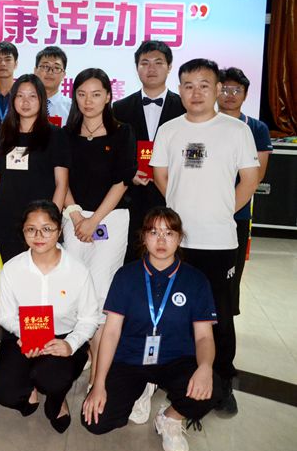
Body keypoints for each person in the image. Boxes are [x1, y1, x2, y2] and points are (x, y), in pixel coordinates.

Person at [151, 58, 260, 417]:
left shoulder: (236, 130)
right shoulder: (169, 130)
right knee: (175, 310)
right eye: (188, 85)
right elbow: (161, 176)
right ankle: (176, 373)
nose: (195, 92)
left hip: (219, 241)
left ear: (216, 89)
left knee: (220, 314)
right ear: (179, 89)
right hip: (176, 242)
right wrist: (179, 210)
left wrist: (224, 210)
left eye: (203, 85)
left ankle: (222, 380)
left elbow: (250, 179)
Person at [82, 207, 222, 451]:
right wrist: (98, 383)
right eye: (154, 232)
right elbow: (111, 333)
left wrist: (204, 367)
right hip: (131, 358)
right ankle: (141, 389)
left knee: (212, 389)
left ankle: (170, 417)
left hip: (175, 359)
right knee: (95, 421)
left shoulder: (196, 280)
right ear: (144, 237)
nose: (161, 240)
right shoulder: (125, 276)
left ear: (179, 238)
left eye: (169, 233)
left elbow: (203, 337)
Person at [0, 201, 99, 434]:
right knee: (2, 391)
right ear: (23, 232)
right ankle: (30, 388)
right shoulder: (12, 268)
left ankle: (57, 399)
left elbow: (89, 319)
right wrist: (25, 335)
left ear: (59, 231)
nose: (39, 236)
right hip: (23, 334)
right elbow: (6, 316)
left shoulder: (77, 270)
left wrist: (70, 344)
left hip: (63, 336)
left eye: (47, 229)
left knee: (50, 378)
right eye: (31, 229)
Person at [62, 68, 136, 384]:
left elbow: (122, 181)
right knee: (76, 286)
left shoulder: (122, 132)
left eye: (95, 94)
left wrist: (94, 220)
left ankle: (98, 366)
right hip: (74, 217)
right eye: (81, 94)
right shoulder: (66, 134)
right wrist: (78, 217)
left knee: (102, 290)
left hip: (111, 219)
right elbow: (61, 181)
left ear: (108, 96)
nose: (88, 101)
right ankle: (82, 350)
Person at [0, 75, 70, 302]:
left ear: (41, 100)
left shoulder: (55, 135)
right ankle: (18, 326)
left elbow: (61, 183)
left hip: (42, 224)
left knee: (43, 285)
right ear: (13, 101)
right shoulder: (3, 134)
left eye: (32, 96)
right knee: (16, 285)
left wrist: (51, 221)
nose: (26, 101)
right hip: (8, 221)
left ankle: (43, 326)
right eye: (20, 96)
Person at [112, 41, 186, 264]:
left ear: (169, 67)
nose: (151, 68)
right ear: (137, 68)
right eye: (145, 63)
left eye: (158, 63)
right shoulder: (119, 108)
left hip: (173, 193)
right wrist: (129, 172)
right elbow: (114, 152)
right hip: (132, 196)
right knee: (131, 256)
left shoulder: (184, 107)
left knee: (174, 256)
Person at [217, 67, 272, 317]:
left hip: (236, 213)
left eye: (236, 90)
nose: (230, 95)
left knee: (231, 273)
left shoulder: (256, 128)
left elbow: (257, 175)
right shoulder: (201, 124)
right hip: (201, 212)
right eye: (225, 89)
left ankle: (225, 326)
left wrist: (227, 209)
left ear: (246, 94)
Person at [34, 46, 73, 126]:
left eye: (56, 68)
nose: (50, 72)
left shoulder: (72, 108)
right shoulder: (23, 104)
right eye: (45, 66)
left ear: (63, 75)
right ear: (35, 71)